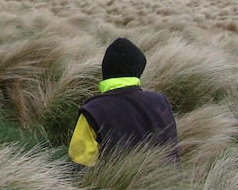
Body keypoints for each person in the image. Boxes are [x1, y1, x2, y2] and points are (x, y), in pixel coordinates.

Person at [68, 37, 179, 166]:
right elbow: (173, 157)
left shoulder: (92, 111)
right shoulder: (161, 102)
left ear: (106, 69)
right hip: (168, 183)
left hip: (115, 185)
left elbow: (80, 166)